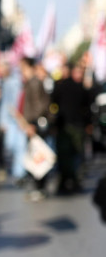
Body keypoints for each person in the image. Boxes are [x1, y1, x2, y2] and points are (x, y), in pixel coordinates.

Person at [50, 62, 93, 195]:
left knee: (70, 155)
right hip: (69, 126)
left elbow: (86, 108)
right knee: (70, 155)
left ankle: (68, 181)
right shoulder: (71, 87)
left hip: (72, 126)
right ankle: (70, 180)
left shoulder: (66, 87)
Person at [17, 56, 51, 201]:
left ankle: (39, 187)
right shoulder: (30, 82)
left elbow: (39, 106)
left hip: (34, 125)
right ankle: (37, 187)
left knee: (38, 156)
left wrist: (32, 123)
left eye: (22, 67)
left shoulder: (34, 82)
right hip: (31, 124)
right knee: (35, 155)